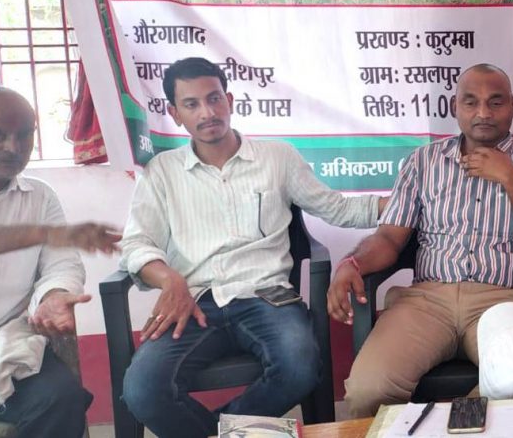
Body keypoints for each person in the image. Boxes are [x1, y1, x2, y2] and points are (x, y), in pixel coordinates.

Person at [117, 57, 388, 438]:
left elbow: (337, 208)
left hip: (267, 298)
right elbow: (136, 243)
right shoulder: (162, 172)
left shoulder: (277, 158)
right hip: (195, 301)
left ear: (229, 100)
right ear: (175, 114)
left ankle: (220, 435)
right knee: (141, 390)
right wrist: (169, 279)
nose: (207, 112)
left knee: (300, 367)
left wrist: (409, 199)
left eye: (214, 98)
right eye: (192, 104)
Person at [336, 64, 513, 416]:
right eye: (471, 102)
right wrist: (352, 263)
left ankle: (457, 426)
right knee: (368, 390)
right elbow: (389, 237)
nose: (483, 113)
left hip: (505, 299)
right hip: (426, 302)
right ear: (454, 106)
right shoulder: (423, 161)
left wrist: (511, 178)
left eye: (495, 102)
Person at [0, 87, 119, 437]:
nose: (12, 147)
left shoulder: (39, 195)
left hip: (7, 340)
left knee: (61, 398)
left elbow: (61, 263)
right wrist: (47, 233)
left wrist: (55, 294)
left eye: (24, 135)